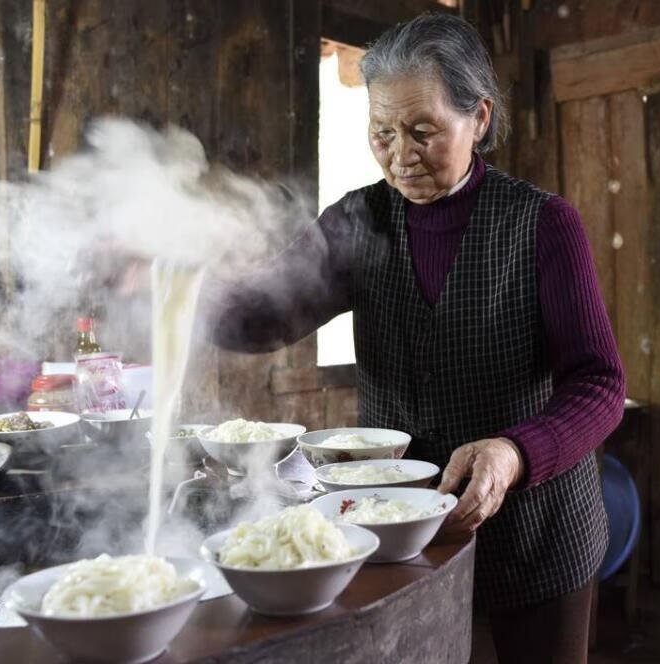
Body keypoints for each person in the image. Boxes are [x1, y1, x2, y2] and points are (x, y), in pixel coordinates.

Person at [201, 13, 625, 664]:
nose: (400, 154)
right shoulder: (356, 222)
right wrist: (175, 283)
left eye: (423, 131)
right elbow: (262, 319)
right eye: (381, 132)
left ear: (478, 119)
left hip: (537, 538)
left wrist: (514, 452)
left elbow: (599, 383)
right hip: (396, 534)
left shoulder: (540, 225)